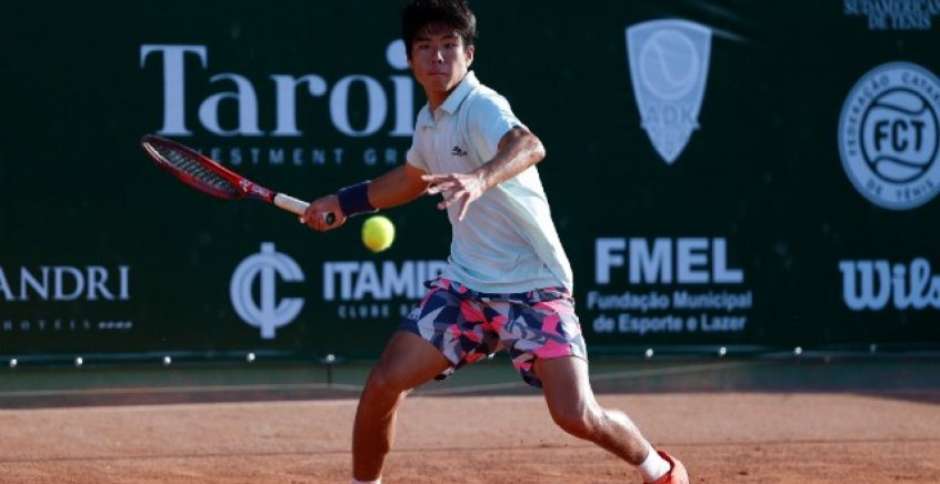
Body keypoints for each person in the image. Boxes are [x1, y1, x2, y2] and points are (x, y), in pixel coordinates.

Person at [301, 1, 688, 483]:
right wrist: (344, 201)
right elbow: (410, 178)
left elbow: (529, 145)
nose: (437, 58)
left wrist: (481, 179)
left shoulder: (482, 106)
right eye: (425, 47)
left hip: (534, 286)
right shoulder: (429, 120)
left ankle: (659, 467)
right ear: (409, 58)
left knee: (575, 414)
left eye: (448, 47)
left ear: (469, 54)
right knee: (384, 382)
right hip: (466, 288)